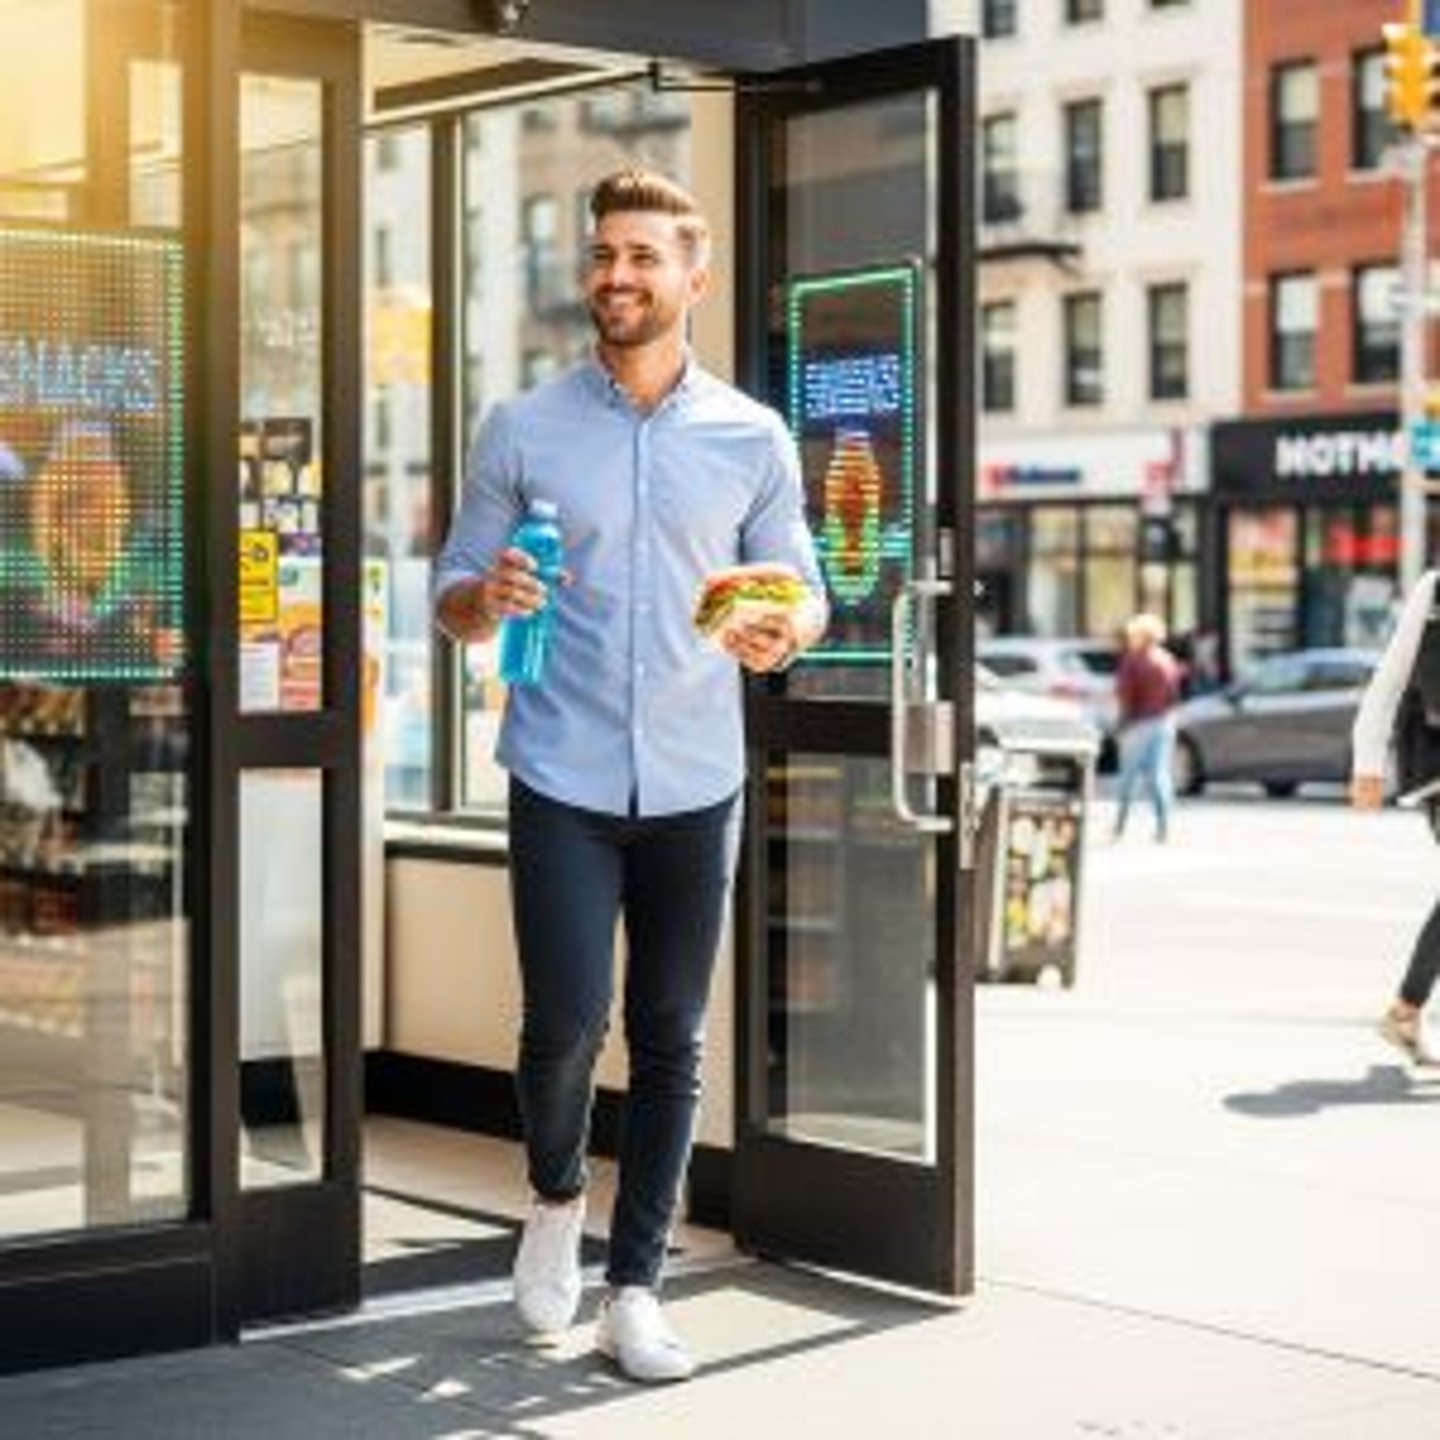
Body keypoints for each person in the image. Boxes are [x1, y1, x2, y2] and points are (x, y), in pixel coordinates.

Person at [432, 169, 826, 1382]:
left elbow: (802, 587)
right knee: (562, 1028)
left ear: (692, 277)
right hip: (560, 769)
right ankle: (554, 1197)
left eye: (644, 257)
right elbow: (450, 594)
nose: (617, 274)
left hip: (697, 779)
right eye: (605, 254)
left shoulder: (752, 436)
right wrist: (481, 599)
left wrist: (786, 630)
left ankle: (636, 1286)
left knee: (671, 1039)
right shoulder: (522, 425)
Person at [1351, 569, 1440, 1065]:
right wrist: (1368, 761)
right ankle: (1406, 1010)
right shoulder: (1435, 588)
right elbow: (1391, 675)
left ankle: (1406, 1011)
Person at [1111, 612, 1182, 842]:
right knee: (1159, 774)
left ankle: (1120, 826)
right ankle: (1164, 826)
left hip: (1139, 723)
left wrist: (1122, 724)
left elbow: (1125, 696)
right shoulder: (1167, 659)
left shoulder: (1134, 660)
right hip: (1164, 721)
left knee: (1128, 776)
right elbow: (1174, 695)